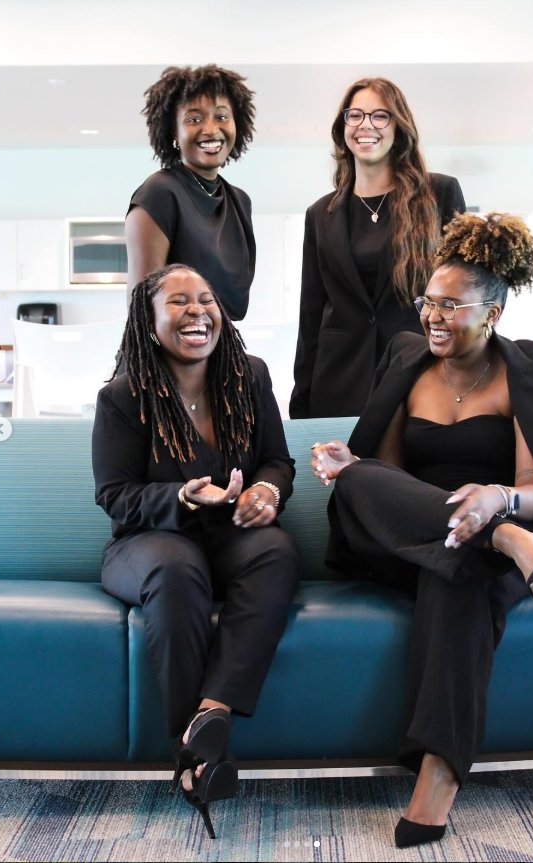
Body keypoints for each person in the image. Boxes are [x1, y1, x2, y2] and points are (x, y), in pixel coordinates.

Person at [309, 212, 533, 848]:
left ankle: (438, 776)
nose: (432, 316)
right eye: (428, 301)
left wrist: (498, 503)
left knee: (457, 573)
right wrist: (352, 469)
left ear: (493, 314)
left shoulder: (531, 370)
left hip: (498, 526)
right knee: (360, 475)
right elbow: (387, 478)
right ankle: (502, 543)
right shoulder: (407, 360)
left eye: (451, 305)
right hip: (415, 532)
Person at [92, 263, 300, 838]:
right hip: (146, 544)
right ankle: (195, 761)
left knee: (276, 551)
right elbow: (115, 497)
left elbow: (277, 461)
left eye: (206, 299)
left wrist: (266, 491)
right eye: (179, 301)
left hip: (228, 538)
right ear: (149, 319)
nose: (197, 311)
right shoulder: (123, 396)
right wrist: (182, 495)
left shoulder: (249, 376)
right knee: (177, 568)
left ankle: (212, 714)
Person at [289, 76, 466, 419]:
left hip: (419, 372)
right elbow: (310, 314)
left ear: (398, 126)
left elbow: (464, 296)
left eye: (379, 115)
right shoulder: (320, 214)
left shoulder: (439, 194)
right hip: (339, 381)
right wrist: (302, 401)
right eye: (354, 115)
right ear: (342, 127)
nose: (365, 125)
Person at [125, 65, 256, 321]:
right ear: (174, 131)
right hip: (168, 356)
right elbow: (142, 306)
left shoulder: (240, 201)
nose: (210, 129)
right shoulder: (159, 193)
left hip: (216, 350)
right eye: (194, 119)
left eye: (221, 116)